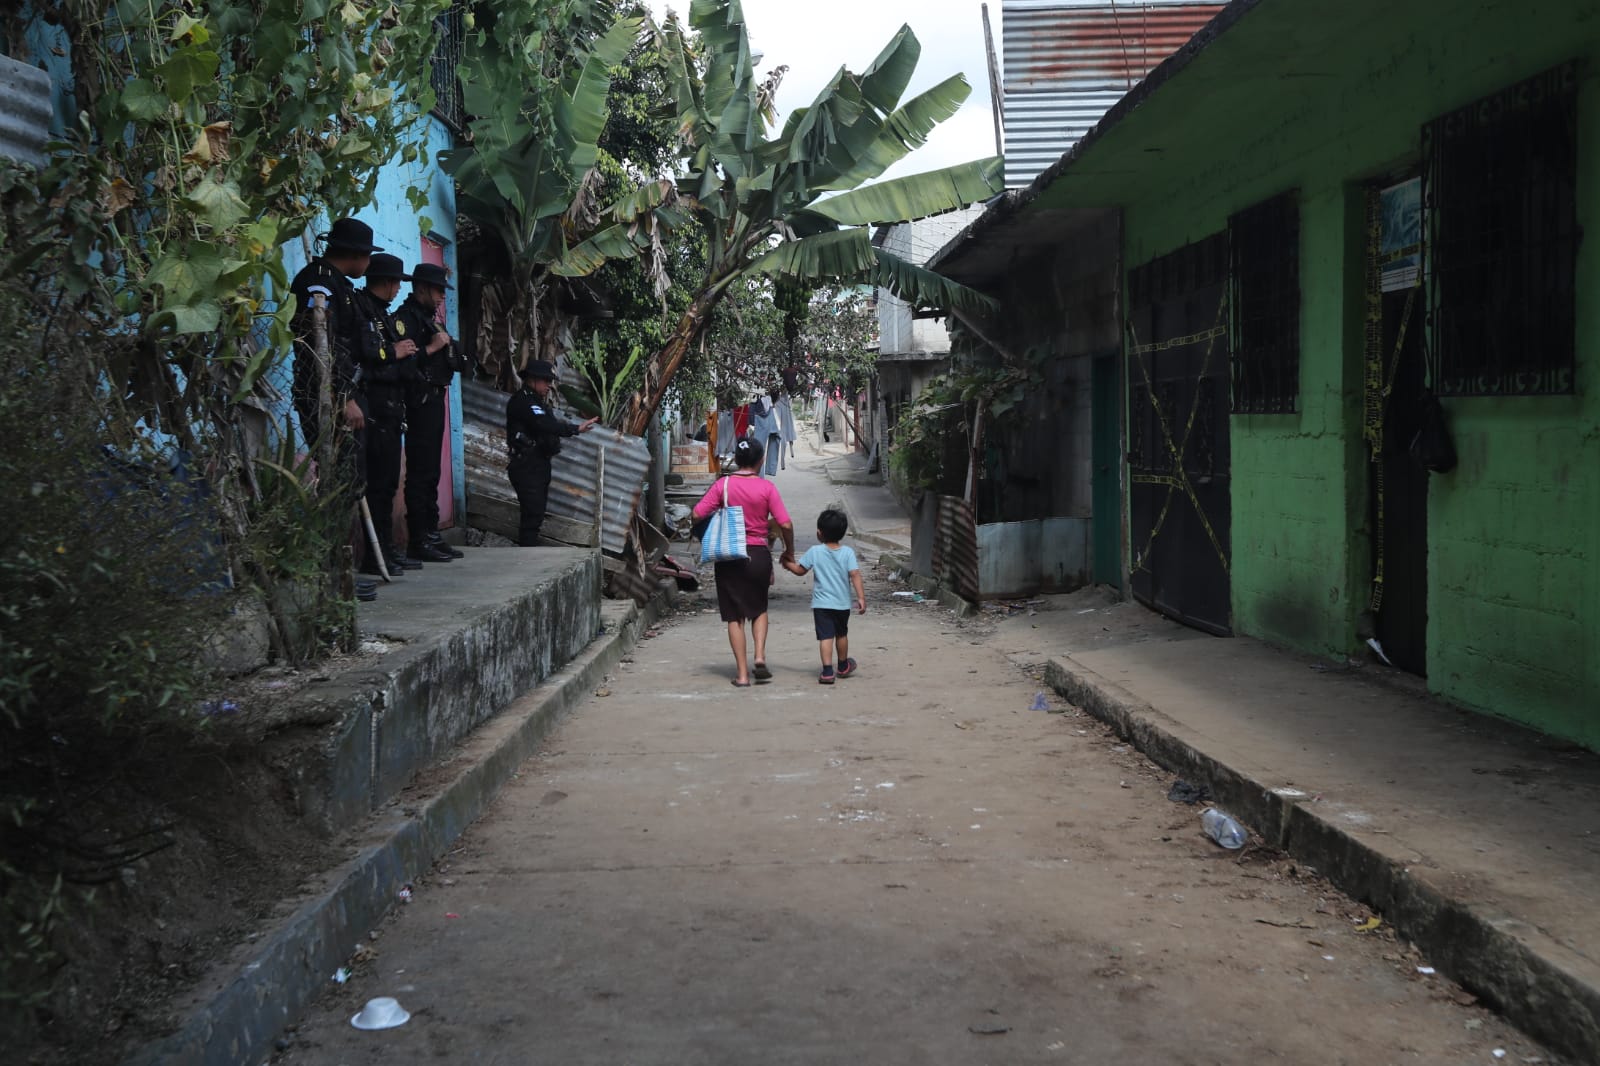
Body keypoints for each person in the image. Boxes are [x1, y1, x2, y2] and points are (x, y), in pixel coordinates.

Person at [289, 217, 381, 600]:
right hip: (325, 398)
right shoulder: (320, 283)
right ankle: (333, 574)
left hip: (341, 393)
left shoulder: (339, 284)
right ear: (357, 255)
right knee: (337, 481)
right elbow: (323, 348)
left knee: (347, 480)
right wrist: (344, 399)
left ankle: (339, 570)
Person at [692, 437, 795, 687]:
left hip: (729, 555)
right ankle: (759, 655)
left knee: (734, 616)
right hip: (758, 555)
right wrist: (789, 551)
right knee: (759, 608)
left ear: (736, 460)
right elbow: (785, 524)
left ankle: (742, 675)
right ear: (760, 461)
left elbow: (696, 513)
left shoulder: (723, 485)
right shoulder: (767, 488)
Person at [395, 262, 464, 563]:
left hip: (436, 398)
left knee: (432, 471)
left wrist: (450, 349)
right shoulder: (404, 320)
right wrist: (434, 348)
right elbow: (403, 366)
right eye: (437, 291)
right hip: (417, 401)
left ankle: (432, 534)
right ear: (421, 288)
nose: (440, 298)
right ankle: (418, 539)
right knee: (420, 472)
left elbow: (456, 357)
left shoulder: (432, 320)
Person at [358, 254, 420, 576]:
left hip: (392, 411)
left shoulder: (382, 315)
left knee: (387, 487)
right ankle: (376, 554)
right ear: (386, 282)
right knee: (379, 486)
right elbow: (370, 362)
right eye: (396, 283)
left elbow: (402, 363)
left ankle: (387, 550)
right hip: (377, 411)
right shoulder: (364, 312)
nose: (398, 290)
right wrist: (395, 356)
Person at [505, 360, 599, 546]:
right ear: (532, 380)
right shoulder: (524, 401)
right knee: (532, 516)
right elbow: (545, 425)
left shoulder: (536, 402)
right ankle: (526, 557)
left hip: (537, 465)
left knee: (536, 514)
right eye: (546, 380)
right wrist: (575, 428)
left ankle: (529, 553)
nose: (550, 385)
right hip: (527, 467)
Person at [783, 508, 866, 684]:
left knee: (825, 637)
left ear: (819, 533)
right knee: (841, 634)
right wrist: (861, 598)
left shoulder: (814, 551)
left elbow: (800, 571)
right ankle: (843, 666)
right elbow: (855, 575)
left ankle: (827, 671)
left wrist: (787, 563)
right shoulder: (848, 553)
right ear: (843, 533)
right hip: (842, 604)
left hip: (821, 605)